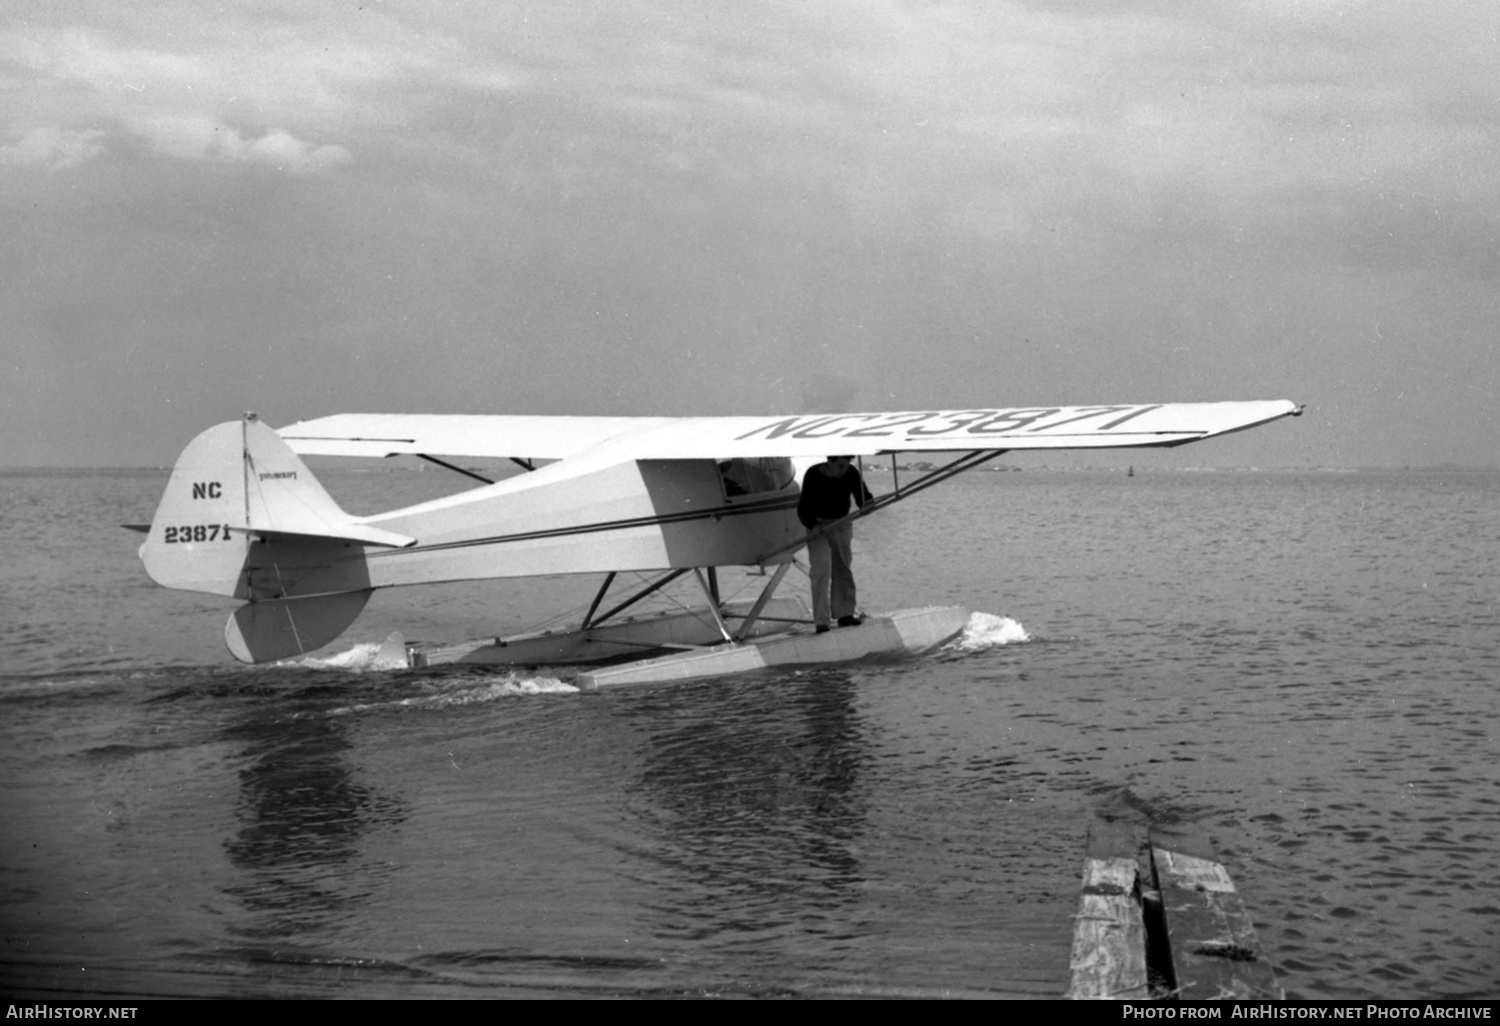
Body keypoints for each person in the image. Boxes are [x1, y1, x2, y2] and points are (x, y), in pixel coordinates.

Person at [797, 455, 874, 633]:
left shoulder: (851, 472)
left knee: (843, 568)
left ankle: (845, 615)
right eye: (840, 466)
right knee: (820, 570)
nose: (843, 470)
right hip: (817, 526)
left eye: (846, 465)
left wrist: (868, 505)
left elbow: (864, 499)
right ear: (829, 462)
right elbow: (803, 508)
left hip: (841, 523)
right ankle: (821, 622)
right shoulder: (813, 474)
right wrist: (813, 525)